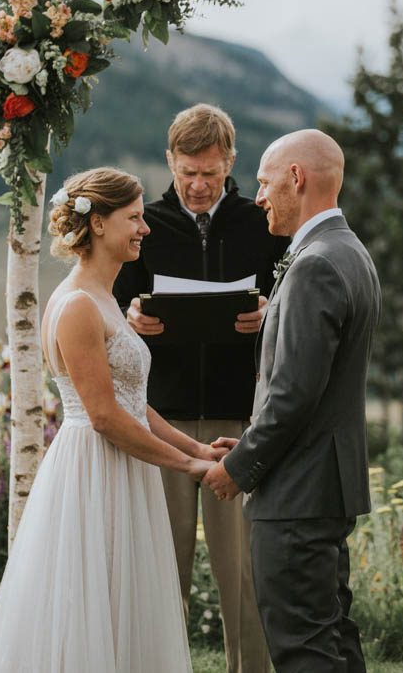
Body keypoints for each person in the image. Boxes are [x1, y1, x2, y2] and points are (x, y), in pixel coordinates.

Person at [0, 167, 227, 673]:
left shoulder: (106, 299)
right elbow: (106, 416)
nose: (145, 228)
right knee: (90, 603)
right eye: (134, 218)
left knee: (124, 601)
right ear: (98, 224)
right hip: (94, 470)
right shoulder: (76, 308)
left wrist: (199, 450)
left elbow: (135, 402)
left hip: (124, 466)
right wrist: (189, 467)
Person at [114, 105, 287, 673]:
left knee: (243, 572)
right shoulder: (146, 224)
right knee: (164, 567)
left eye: (209, 172)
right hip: (160, 418)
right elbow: (112, 304)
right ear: (171, 161)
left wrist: (270, 312)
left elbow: (296, 298)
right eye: (187, 171)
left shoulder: (260, 221)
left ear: (230, 163)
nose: (196, 184)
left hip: (241, 419)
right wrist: (132, 315)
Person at [205, 130, 382, 673]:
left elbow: (292, 394)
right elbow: (312, 390)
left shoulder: (315, 265)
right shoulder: (348, 252)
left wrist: (241, 465)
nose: (258, 196)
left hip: (297, 495)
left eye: (264, 181)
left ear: (296, 178)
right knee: (331, 637)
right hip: (323, 484)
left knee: (302, 648)